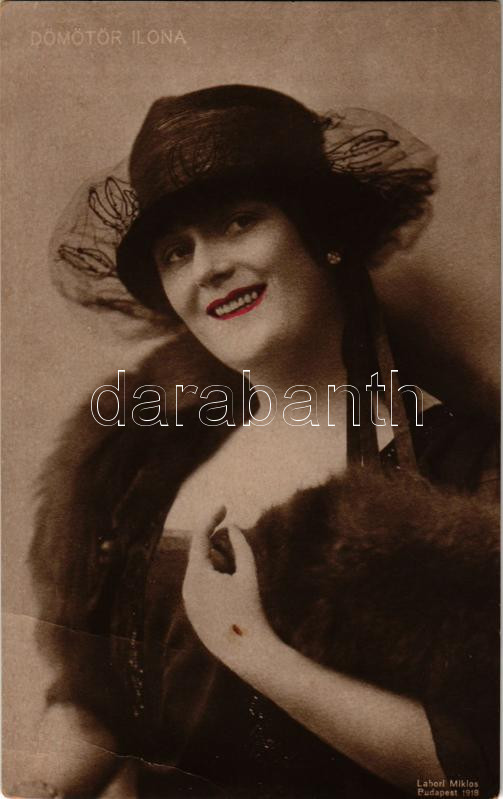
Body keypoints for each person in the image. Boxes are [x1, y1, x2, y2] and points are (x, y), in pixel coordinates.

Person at [25, 85, 498, 799]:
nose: (207, 268)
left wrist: (250, 647)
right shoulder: (146, 466)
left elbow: (476, 776)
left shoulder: (457, 465)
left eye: (239, 222)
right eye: (176, 252)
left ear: (322, 235)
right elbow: (98, 702)